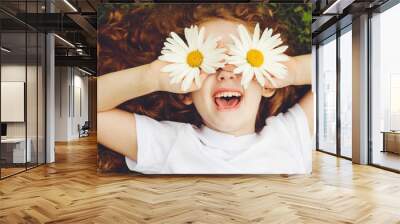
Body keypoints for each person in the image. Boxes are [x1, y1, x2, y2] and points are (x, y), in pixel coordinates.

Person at [97, 6, 313, 174]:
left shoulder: (291, 135)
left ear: (267, 84)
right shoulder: (168, 144)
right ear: (185, 92)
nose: (226, 72)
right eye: (209, 63)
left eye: (240, 59)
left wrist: (293, 71)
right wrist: (152, 77)